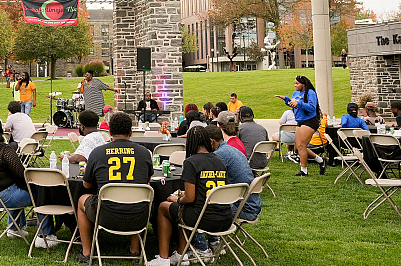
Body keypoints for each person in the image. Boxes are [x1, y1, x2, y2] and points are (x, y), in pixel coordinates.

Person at [0, 113, 57, 247]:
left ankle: (15, 228)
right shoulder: (3, 150)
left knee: (14, 186)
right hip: (0, 197)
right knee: (41, 190)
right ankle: (44, 235)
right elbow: (22, 176)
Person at [76, 112, 154, 263]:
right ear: (131, 132)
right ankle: (134, 250)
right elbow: (146, 180)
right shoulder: (144, 153)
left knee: (82, 200)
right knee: (134, 197)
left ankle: (86, 252)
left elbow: (86, 185)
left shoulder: (98, 153)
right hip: (138, 214)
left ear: (109, 132)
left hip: (105, 214)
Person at [150, 126, 232, 266]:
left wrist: (177, 199)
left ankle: (163, 259)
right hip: (224, 218)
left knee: (164, 207)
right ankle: (181, 255)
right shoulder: (220, 161)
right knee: (183, 210)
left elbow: (190, 198)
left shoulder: (191, 162)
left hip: (202, 218)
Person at [188, 125, 264, 260]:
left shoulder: (217, 157)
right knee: (213, 201)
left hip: (243, 208)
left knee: (200, 204)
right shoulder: (232, 150)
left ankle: (202, 248)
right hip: (253, 204)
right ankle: (215, 241)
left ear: (210, 141)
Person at [274, 75, 325, 176]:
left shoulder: (310, 93)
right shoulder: (296, 93)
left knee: (301, 146)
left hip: (310, 121)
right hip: (300, 121)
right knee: (299, 146)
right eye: (294, 83)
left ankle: (304, 170)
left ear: (303, 84)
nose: (295, 85)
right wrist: (286, 100)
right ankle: (321, 160)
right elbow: (293, 104)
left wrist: (299, 103)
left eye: (297, 83)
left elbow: (311, 107)